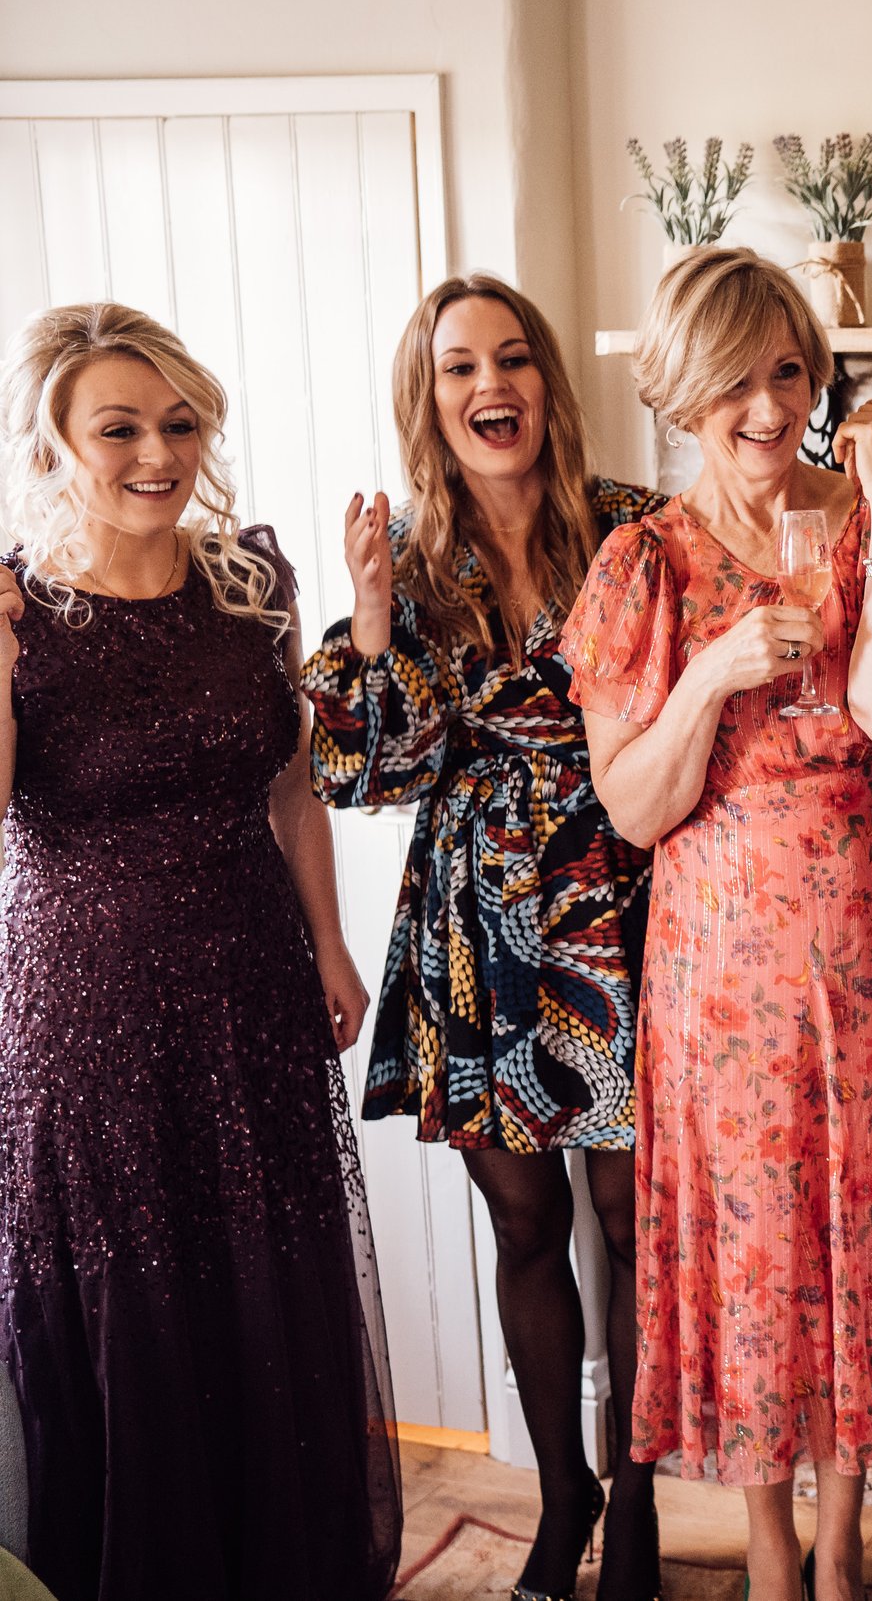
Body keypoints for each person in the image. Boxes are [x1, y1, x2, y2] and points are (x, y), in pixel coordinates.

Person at [561, 247, 872, 1601]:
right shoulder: (640, 565)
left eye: (790, 371)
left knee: (859, 1232)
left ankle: (843, 1552)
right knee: (756, 1250)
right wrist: (713, 677)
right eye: (738, 380)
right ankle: (773, 1554)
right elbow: (633, 800)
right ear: (682, 389)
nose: (772, 407)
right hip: (722, 962)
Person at [0, 303, 399, 1600]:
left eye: (180, 421)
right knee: (138, 1305)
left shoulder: (248, 583)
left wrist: (332, 945)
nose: (157, 451)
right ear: (55, 439)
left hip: (252, 985)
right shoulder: (17, 609)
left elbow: (291, 787)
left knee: (263, 1287)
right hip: (88, 1009)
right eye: (119, 425)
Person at [301, 274, 664, 1599]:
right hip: (484, 924)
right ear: (431, 394)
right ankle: (560, 1493)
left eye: (512, 359)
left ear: (547, 383)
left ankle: (633, 1501)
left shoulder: (635, 524)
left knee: (632, 1223)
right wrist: (378, 613)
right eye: (460, 367)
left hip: (626, 900)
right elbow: (362, 777)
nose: (490, 384)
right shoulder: (405, 550)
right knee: (525, 1227)